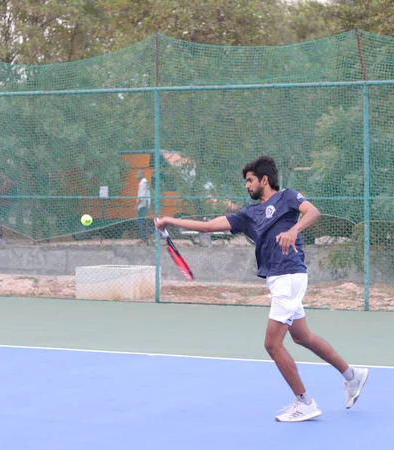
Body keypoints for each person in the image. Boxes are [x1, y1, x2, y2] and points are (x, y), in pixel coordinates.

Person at [154, 155, 368, 423]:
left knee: (271, 344)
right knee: (301, 336)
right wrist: (170, 221)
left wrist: (294, 230)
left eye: (250, 180)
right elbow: (209, 226)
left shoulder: (288, 197)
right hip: (279, 279)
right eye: (246, 181)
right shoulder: (248, 215)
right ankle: (352, 376)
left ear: (264, 180)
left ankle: (305, 403)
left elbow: (313, 212)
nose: (247, 186)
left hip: (289, 274)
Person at [135, 169, 152, 243]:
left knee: (141, 221)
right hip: (143, 204)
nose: (136, 176)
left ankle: (150, 233)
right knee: (142, 221)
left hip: (143, 205)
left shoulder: (143, 182)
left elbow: (142, 195)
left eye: (138, 174)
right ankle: (145, 236)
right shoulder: (143, 182)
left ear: (142, 175)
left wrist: (137, 204)